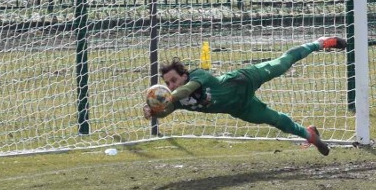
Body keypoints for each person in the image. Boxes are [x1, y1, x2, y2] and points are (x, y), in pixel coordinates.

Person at [143, 36, 348, 156]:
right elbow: (165, 111)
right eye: (167, 83)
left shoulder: (197, 76)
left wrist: (168, 97)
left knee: (283, 64)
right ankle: (310, 135)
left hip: (243, 80)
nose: (170, 85)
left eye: (173, 80)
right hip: (239, 107)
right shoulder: (176, 101)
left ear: (183, 75)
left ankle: (319, 43)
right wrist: (152, 111)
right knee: (275, 120)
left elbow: (186, 90)